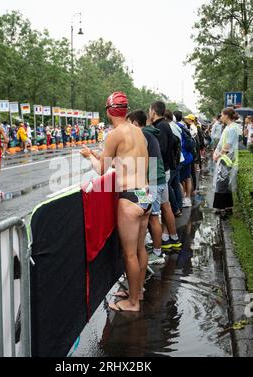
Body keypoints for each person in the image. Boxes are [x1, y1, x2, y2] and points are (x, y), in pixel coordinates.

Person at [80, 92, 152, 312]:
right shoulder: (138, 132)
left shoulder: (114, 134)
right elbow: (129, 163)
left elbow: (101, 169)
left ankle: (132, 304)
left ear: (109, 111)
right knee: (140, 249)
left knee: (129, 254)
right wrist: (97, 154)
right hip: (145, 194)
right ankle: (137, 291)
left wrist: (88, 156)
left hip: (129, 199)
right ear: (126, 109)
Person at [126, 110, 166, 266]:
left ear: (135, 123)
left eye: (128, 124)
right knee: (150, 216)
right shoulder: (149, 134)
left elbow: (149, 162)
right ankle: (154, 249)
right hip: (156, 179)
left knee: (153, 217)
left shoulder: (142, 136)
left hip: (152, 181)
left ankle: (157, 253)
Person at [149, 102, 182, 251]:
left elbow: (159, 151)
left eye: (150, 110)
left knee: (153, 213)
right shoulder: (165, 125)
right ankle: (172, 238)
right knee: (166, 205)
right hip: (164, 172)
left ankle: (158, 248)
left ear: (154, 111)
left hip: (157, 174)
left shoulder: (159, 127)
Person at [213, 107, 239, 216]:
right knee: (225, 184)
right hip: (225, 158)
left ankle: (221, 208)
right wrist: (216, 152)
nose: (221, 117)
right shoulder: (229, 127)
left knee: (221, 183)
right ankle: (227, 207)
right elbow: (221, 143)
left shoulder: (232, 128)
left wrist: (218, 155)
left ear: (227, 116)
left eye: (222, 115)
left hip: (227, 159)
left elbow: (228, 145)